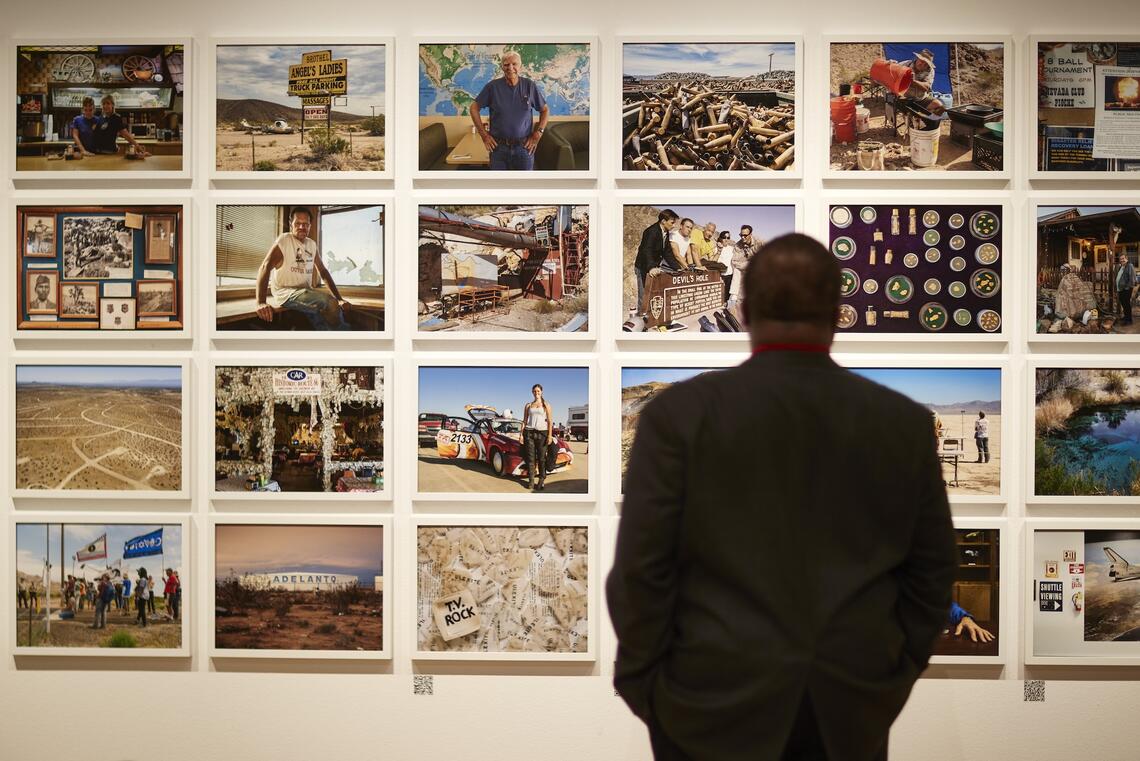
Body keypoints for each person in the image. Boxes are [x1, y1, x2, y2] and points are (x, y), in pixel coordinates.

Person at [607, 232, 956, 761]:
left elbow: (640, 572)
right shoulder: (902, 425)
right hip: (848, 711)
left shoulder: (678, 418)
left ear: (744, 312)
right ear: (838, 313)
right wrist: (889, 678)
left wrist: (646, 685)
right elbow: (930, 575)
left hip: (704, 707)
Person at [255, 207, 352, 331]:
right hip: (286, 293)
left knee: (325, 322)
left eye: (305, 224)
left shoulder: (311, 244)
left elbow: (323, 271)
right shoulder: (284, 240)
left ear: (310, 225)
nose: (302, 227)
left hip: (306, 292)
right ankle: (345, 335)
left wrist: (340, 299)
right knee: (330, 303)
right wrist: (261, 302)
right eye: (298, 223)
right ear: (291, 224)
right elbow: (265, 267)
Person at [470, 50, 549, 171]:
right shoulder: (492, 87)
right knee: (499, 186)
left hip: (524, 148)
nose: (510, 68)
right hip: (498, 149)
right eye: (506, 65)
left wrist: (538, 133)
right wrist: (484, 135)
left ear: (520, 66)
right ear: (502, 67)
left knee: (524, 186)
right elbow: (474, 108)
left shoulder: (529, 86)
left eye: (514, 64)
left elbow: (545, 110)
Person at [633, 210, 678, 315]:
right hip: (643, 267)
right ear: (663, 221)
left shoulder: (665, 232)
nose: (674, 225)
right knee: (644, 294)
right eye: (672, 222)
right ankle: (641, 318)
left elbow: (668, 253)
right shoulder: (651, 231)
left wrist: (677, 267)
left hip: (654, 267)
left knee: (653, 294)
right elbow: (646, 250)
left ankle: (651, 317)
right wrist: (651, 267)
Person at [522, 384, 554, 491]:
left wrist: (549, 436)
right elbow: (525, 421)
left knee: (541, 458)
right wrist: (521, 435)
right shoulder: (528, 405)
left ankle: (541, 479)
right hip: (529, 433)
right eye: (535, 391)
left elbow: (550, 422)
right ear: (532, 392)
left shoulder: (546, 405)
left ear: (542, 392)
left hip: (542, 434)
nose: (536, 393)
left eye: (538, 391)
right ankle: (531, 480)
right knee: (530, 458)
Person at [726, 225, 764, 313]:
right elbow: (735, 262)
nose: (742, 237)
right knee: (737, 271)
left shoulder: (760, 242)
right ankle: (733, 300)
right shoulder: (738, 245)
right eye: (741, 235)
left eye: (745, 235)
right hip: (745, 268)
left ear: (751, 234)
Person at [715, 231, 736, 302]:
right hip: (720, 276)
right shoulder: (716, 248)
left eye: (728, 237)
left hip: (730, 275)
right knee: (720, 296)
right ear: (720, 238)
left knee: (728, 296)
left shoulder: (732, 249)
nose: (726, 239)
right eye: (724, 237)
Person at [1117, 253, 1135, 325]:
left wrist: (1127, 287)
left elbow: (1132, 278)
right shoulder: (1121, 267)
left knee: (1126, 304)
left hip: (1126, 289)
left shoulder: (1129, 266)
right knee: (1123, 304)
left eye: (1123, 258)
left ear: (1126, 259)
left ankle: (1129, 320)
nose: (1122, 260)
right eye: (1120, 259)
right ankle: (1126, 316)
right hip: (1121, 289)